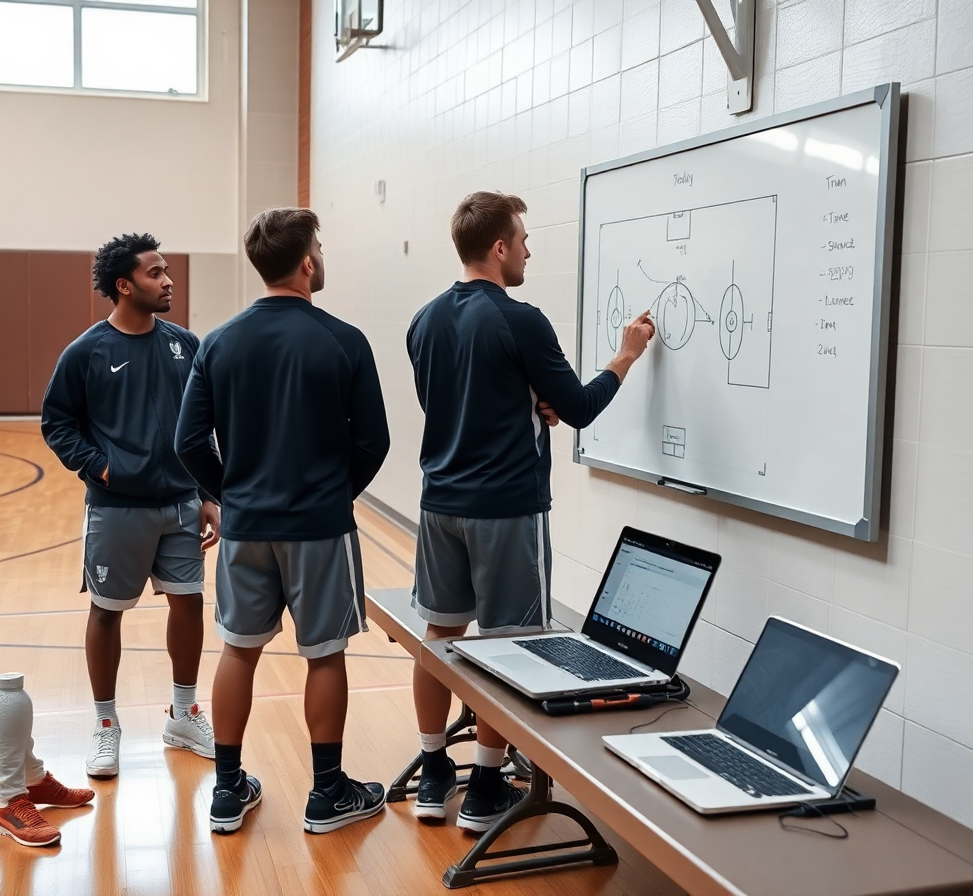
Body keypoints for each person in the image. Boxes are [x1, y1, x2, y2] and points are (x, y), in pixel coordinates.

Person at [406, 191, 655, 831]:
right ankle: (487, 785)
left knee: (439, 638)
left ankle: (434, 774)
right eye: (522, 239)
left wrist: (528, 399)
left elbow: (455, 399)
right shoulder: (521, 319)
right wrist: (625, 353)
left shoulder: (423, 321)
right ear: (497, 248)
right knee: (510, 646)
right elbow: (577, 407)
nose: (527, 251)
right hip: (507, 510)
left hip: (439, 506)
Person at [174, 207, 390, 836]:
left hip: (245, 528)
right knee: (324, 656)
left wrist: (233, 496)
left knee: (238, 651)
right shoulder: (345, 340)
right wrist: (331, 493)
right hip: (320, 528)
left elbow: (189, 444)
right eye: (318, 247)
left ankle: (226, 790)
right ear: (305, 263)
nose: (321, 255)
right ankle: (327, 797)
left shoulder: (218, 341)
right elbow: (373, 442)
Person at [41, 233, 221, 778]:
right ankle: (104, 725)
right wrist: (100, 467)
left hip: (182, 503)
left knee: (188, 603)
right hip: (116, 509)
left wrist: (210, 493)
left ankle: (184, 713)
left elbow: (201, 426)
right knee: (107, 611)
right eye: (155, 273)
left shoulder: (185, 344)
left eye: (167, 272)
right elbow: (57, 423)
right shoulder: (86, 351)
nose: (168, 281)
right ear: (124, 285)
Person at [0, 672, 94, 847]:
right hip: (7, 804)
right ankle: (9, 799)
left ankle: (33, 781)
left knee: (14, 694)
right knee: (8, 697)